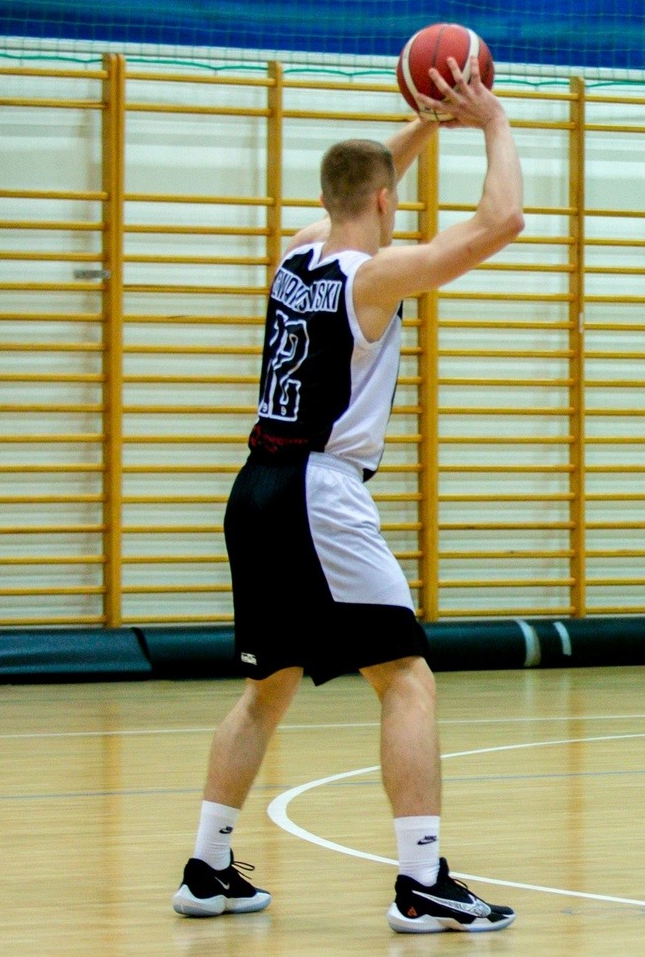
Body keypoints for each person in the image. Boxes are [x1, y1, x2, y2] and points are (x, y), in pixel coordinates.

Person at [171, 58, 524, 934]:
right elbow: (500, 222)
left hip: (254, 487)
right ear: (387, 202)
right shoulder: (374, 277)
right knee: (406, 678)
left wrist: (424, 122)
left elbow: (366, 178)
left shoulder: (296, 253)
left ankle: (207, 868)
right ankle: (422, 881)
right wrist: (490, 121)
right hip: (317, 492)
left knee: (268, 688)